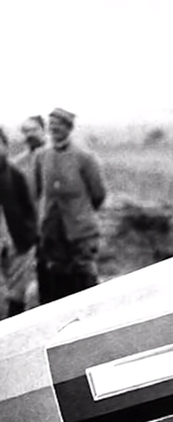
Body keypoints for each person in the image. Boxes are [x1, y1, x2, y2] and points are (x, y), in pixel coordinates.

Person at [35, 108, 107, 303]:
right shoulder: (42, 156)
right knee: (57, 283)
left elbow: (98, 194)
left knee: (84, 280)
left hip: (80, 232)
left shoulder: (84, 157)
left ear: (69, 128)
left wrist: (81, 213)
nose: (54, 130)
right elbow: (38, 191)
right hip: (53, 231)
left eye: (59, 126)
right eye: (51, 126)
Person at [0, 127, 38, 319]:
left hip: (17, 242)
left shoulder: (15, 175)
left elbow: (29, 209)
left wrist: (29, 236)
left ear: (5, 145)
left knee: (17, 293)